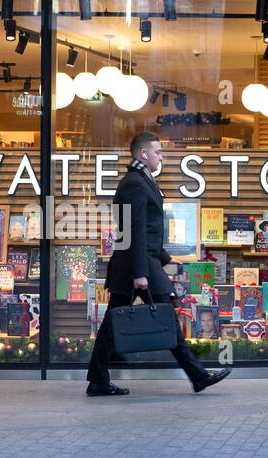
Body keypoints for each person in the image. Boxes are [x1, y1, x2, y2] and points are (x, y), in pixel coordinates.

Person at [86, 132, 231, 397]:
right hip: (137, 263)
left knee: (112, 323)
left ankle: (98, 379)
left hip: (139, 260)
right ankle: (197, 375)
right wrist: (140, 273)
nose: (161, 157)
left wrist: (165, 257)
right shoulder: (135, 184)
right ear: (143, 154)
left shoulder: (141, 180)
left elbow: (146, 230)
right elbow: (136, 231)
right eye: (158, 152)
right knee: (164, 311)